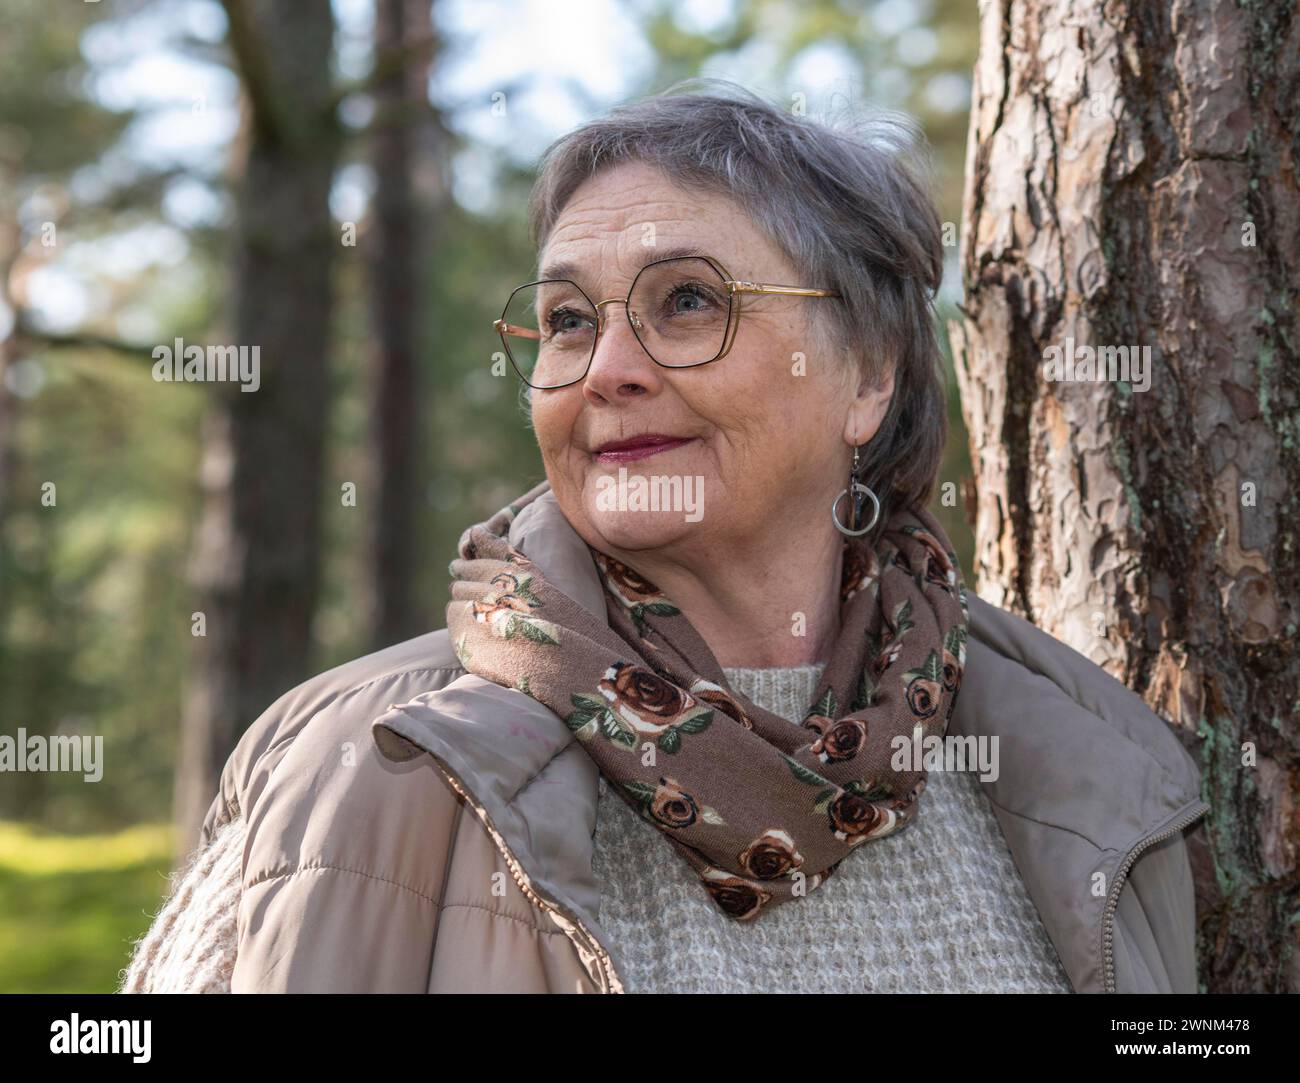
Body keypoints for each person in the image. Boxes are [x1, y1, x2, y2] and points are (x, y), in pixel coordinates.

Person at [119, 80, 1207, 995]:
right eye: (567, 320)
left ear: (869, 371)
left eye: (686, 301)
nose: (607, 370)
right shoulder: (368, 768)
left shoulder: (1088, 758)